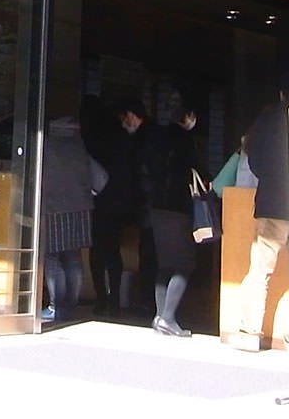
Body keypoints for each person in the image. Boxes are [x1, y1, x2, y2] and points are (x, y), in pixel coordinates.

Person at [230, 72, 289, 352]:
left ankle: (250, 332)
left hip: (271, 204)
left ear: (281, 94)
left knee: (260, 271)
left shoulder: (267, 120)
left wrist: (271, 178)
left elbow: (253, 157)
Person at [138, 105, 204, 337]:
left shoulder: (155, 137)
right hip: (178, 207)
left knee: (165, 263)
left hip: (156, 207)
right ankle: (168, 317)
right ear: (190, 117)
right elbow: (197, 171)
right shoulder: (186, 140)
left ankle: (159, 316)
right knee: (185, 264)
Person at [39, 114, 105, 324]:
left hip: (53, 207)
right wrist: (88, 193)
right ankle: (70, 307)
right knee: (73, 257)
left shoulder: (46, 146)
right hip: (82, 208)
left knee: (52, 258)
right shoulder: (80, 147)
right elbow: (102, 178)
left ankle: (56, 307)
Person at [90, 99, 147, 314]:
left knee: (97, 252)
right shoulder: (128, 142)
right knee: (113, 252)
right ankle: (113, 299)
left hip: (99, 201)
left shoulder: (99, 140)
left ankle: (101, 299)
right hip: (120, 202)